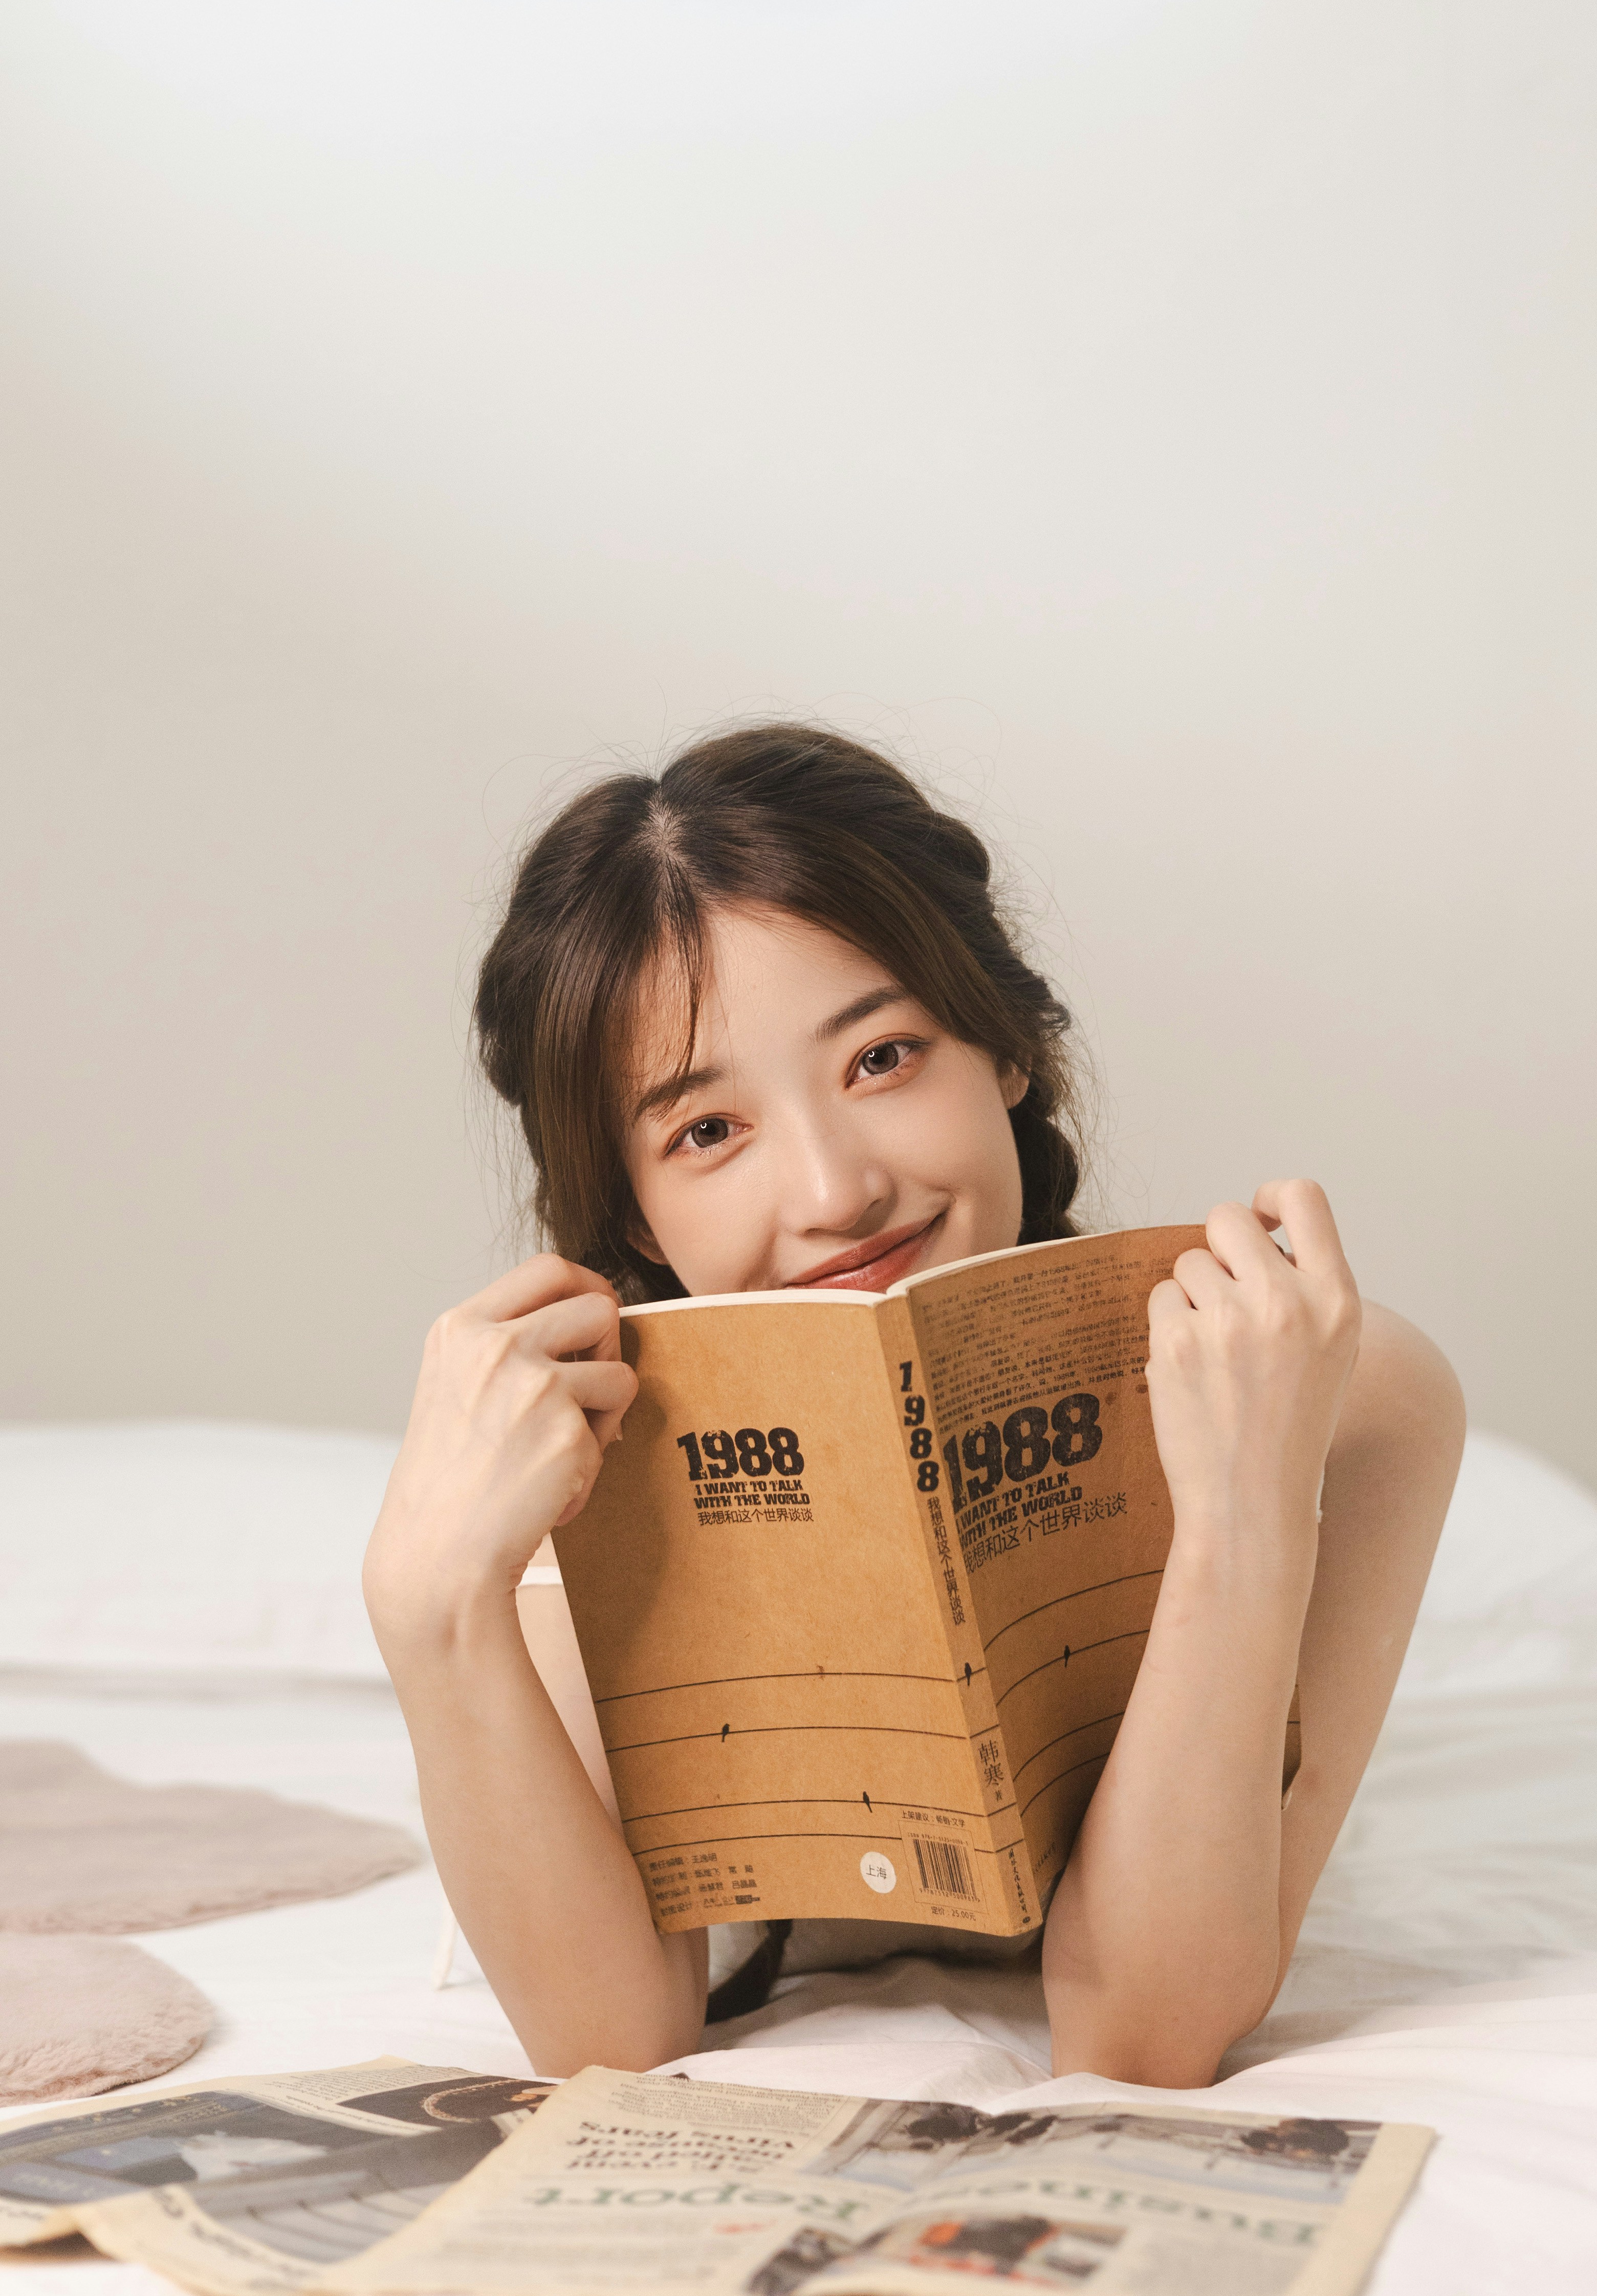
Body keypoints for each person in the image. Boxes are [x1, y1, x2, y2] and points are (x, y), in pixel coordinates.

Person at [363, 724, 1463, 2088]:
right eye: (708, 1133)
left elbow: (1143, 2032)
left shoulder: (1341, 1397)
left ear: (1003, 1046)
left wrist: (1242, 1513)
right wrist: (427, 1607)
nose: (834, 1193)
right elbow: (610, 2040)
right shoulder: (575, 1470)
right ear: (632, 1210)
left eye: (882, 1057)